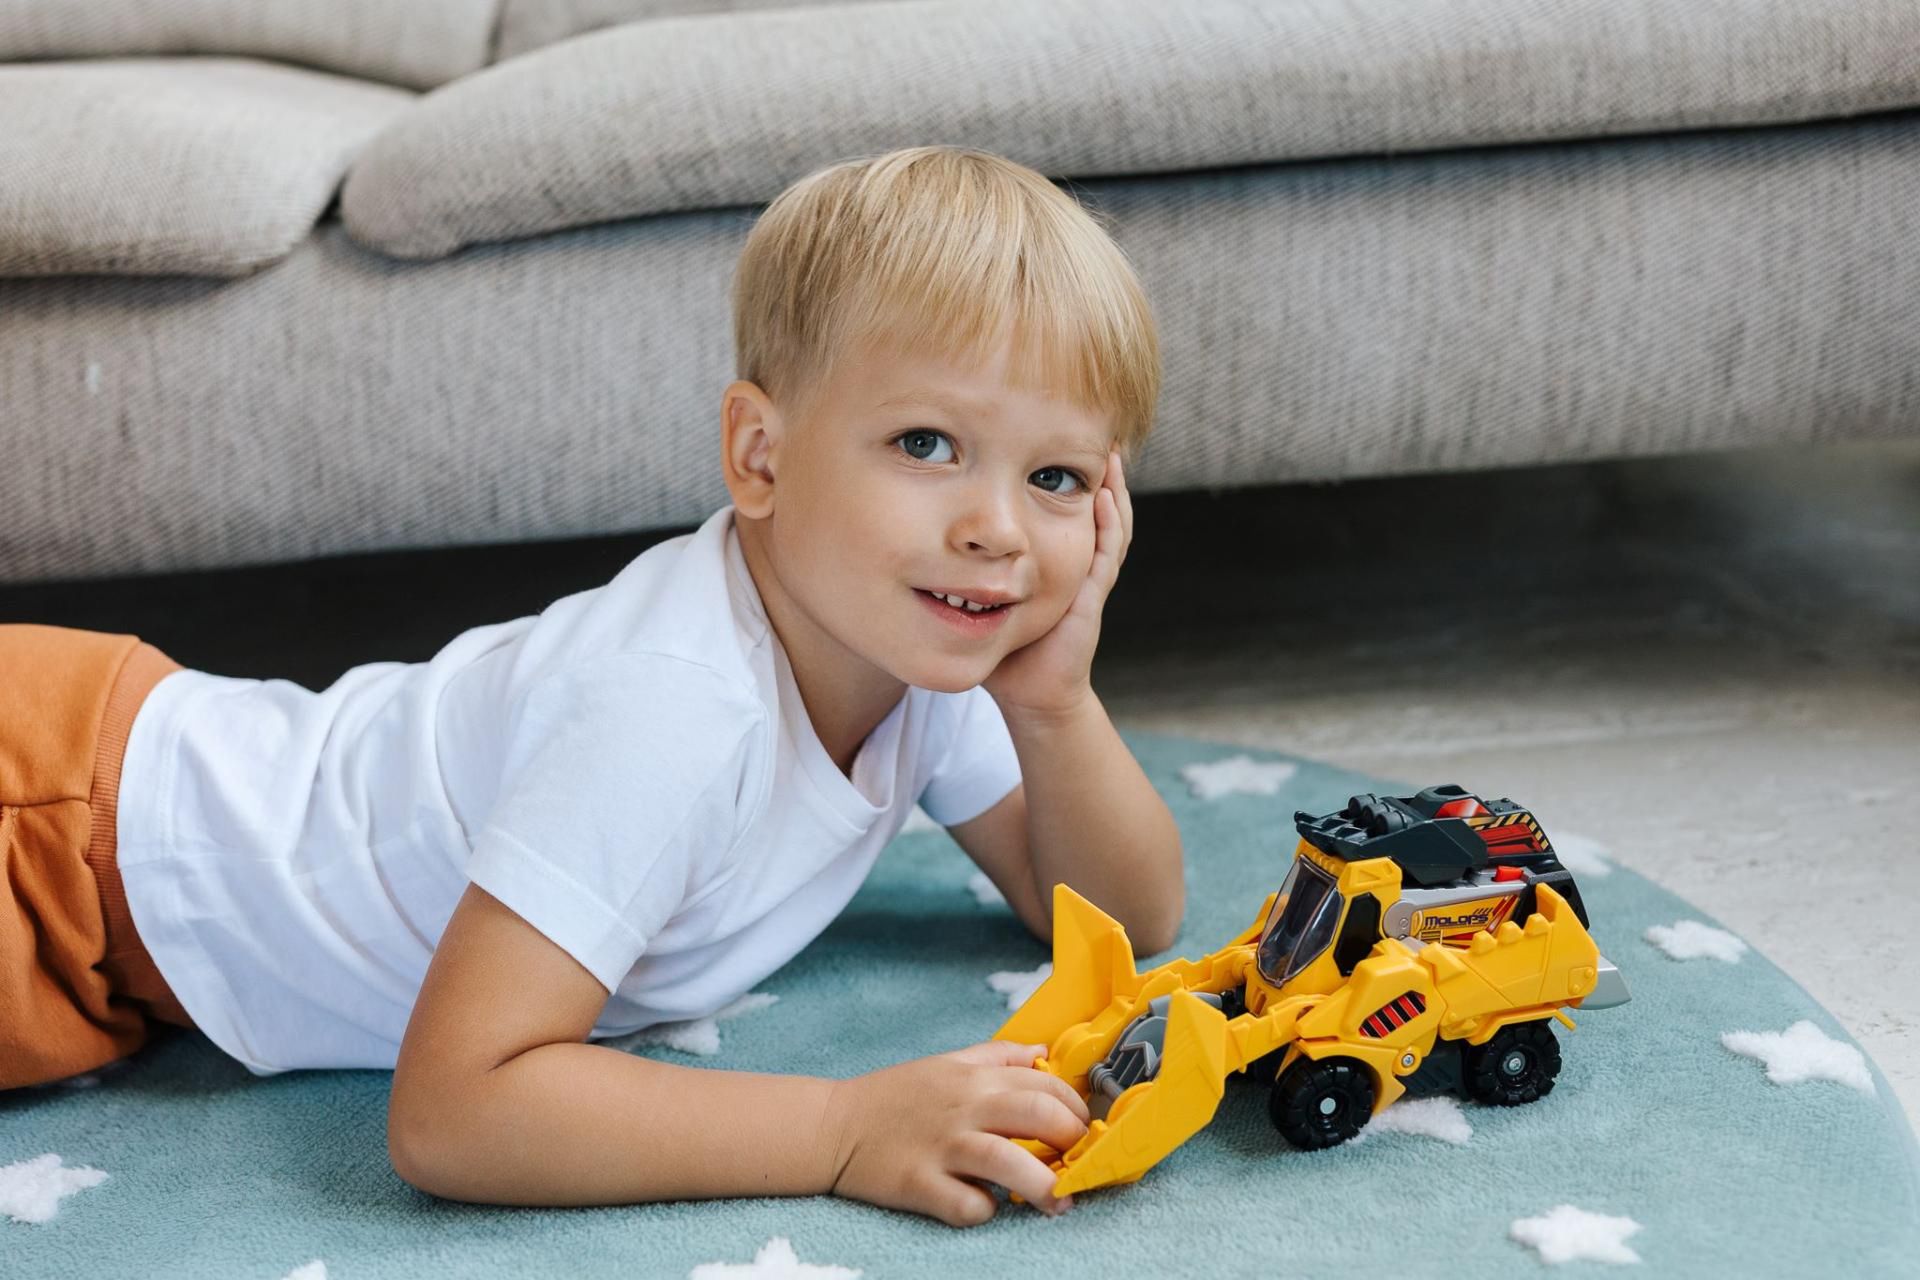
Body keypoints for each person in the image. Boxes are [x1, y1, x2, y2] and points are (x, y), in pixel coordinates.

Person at [0, 144, 1184, 1228]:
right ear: (759, 456)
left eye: (1057, 475)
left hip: (115, 905)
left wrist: (1053, 705)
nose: (995, 529)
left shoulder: (912, 654)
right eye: (926, 443)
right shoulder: (673, 711)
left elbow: (1111, 916)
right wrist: (839, 1127)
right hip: (57, 834)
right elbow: (457, 1108)